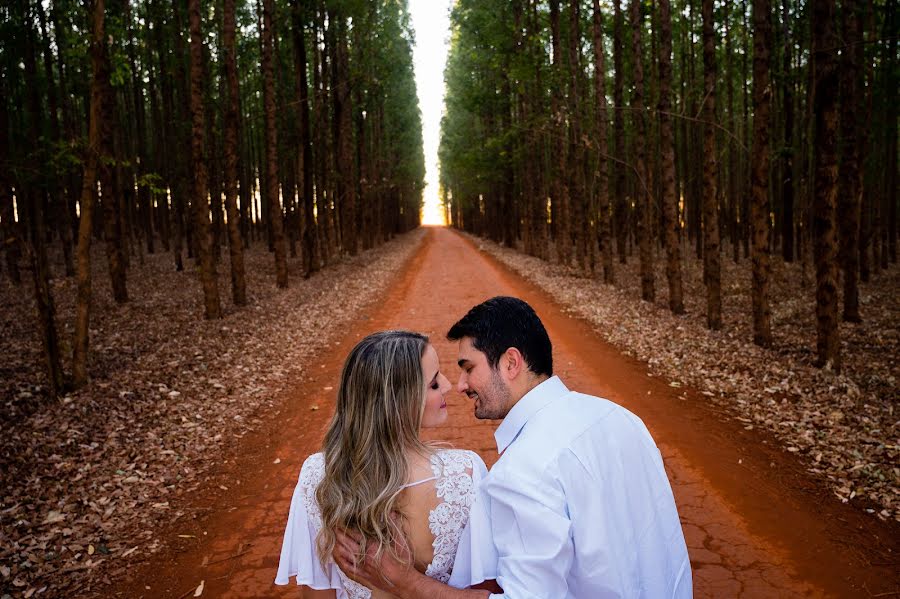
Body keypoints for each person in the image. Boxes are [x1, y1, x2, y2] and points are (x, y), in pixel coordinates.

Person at [333, 297, 692, 598]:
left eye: (468, 368)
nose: (459, 385)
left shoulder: (523, 468)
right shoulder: (621, 418)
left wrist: (404, 581)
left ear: (510, 363)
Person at [275, 330, 499, 598]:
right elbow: (490, 589)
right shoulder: (465, 473)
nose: (449, 385)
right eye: (434, 383)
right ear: (399, 402)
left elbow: (317, 593)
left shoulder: (319, 475)